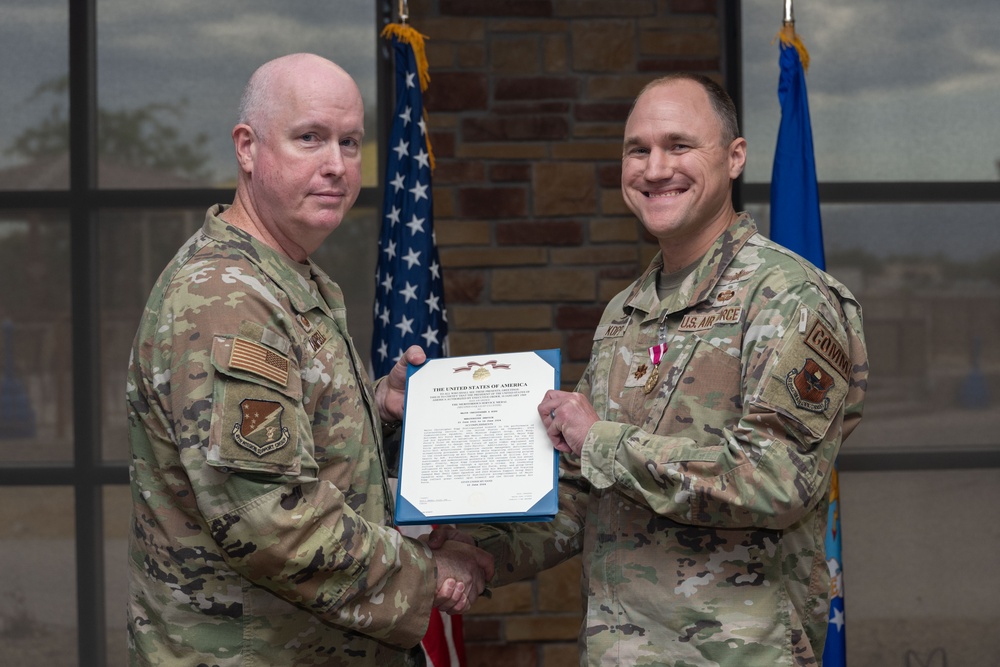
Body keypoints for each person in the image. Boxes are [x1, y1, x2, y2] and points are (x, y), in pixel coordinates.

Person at [431, 73, 868, 665]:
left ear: (735, 157)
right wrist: (480, 552)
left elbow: (779, 481)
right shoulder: (627, 312)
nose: (656, 168)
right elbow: (585, 491)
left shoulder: (787, 298)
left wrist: (602, 441)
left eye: (679, 145)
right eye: (638, 149)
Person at [126, 53, 493, 667]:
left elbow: (281, 442)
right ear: (247, 147)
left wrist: (379, 409)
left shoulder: (290, 278)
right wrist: (429, 573)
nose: (337, 166)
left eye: (350, 143)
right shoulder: (227, 297)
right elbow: (273, 522)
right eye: (310, 139)